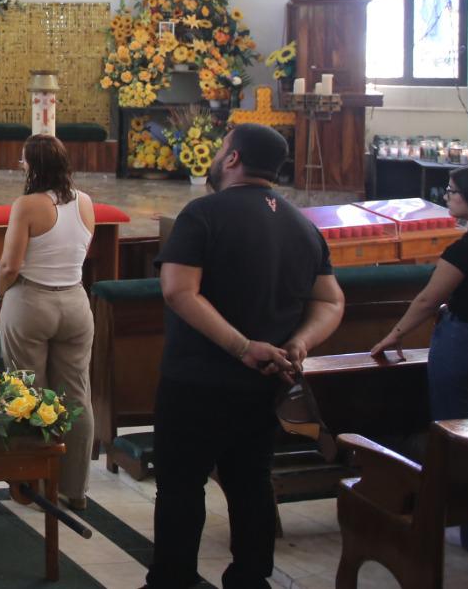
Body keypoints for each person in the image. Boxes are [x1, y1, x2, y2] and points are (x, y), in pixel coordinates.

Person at [146, 124, 346, 589]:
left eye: (220, 150)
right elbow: (331, 301)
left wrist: (240, 347)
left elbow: (178, 291)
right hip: (266, 384)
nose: (216, 158)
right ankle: (251, 578)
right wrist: (300, 343)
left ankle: (172, 580)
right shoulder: (303, 224)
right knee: (251, 482)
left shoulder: (203, 214)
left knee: (180, 486)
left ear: (232, 159)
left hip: (196, 381)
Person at [370, 164, 468, 555]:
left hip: (465, 346)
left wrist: (394, 335)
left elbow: (428, 299)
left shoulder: (466, 249)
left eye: (453, 191)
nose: (447, 195)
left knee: (458, 438)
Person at [0, 134, 96, 508]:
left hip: (32, 300)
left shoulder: (27, 205)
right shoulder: (86, 203)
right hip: (75, 302)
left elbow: (10, 264)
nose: (21, 166)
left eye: (24, 161)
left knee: (29, 393)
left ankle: (32, 484)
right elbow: (82, 251)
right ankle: (75, 490)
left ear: (33, 166)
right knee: (76, 395)